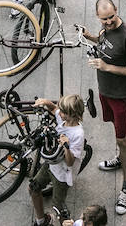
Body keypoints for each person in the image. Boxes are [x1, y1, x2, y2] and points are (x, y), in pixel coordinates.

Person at [79, 0, 126, 216]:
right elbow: (104, 41)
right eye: (103, 19)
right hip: (105, 91)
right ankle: (122, 159)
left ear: (116, 10)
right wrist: (90, 36)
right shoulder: (105, 30)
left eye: (111, 17)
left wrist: (107, 67)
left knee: (122, 139)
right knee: (117, 132)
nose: (107, 22)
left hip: (121, 95)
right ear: (98, 16)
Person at [26, 94, 86, 226]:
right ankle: (42, 221)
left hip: (62, 175)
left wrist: (66, 146)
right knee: (33, 188)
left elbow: (70, 162)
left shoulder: (78, 134)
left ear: (73, 115)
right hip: (51, 165)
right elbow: (54, 109)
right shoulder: (64, 118)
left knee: (59, 210)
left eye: (64, 111)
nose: (60, 113)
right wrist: (45, 102)